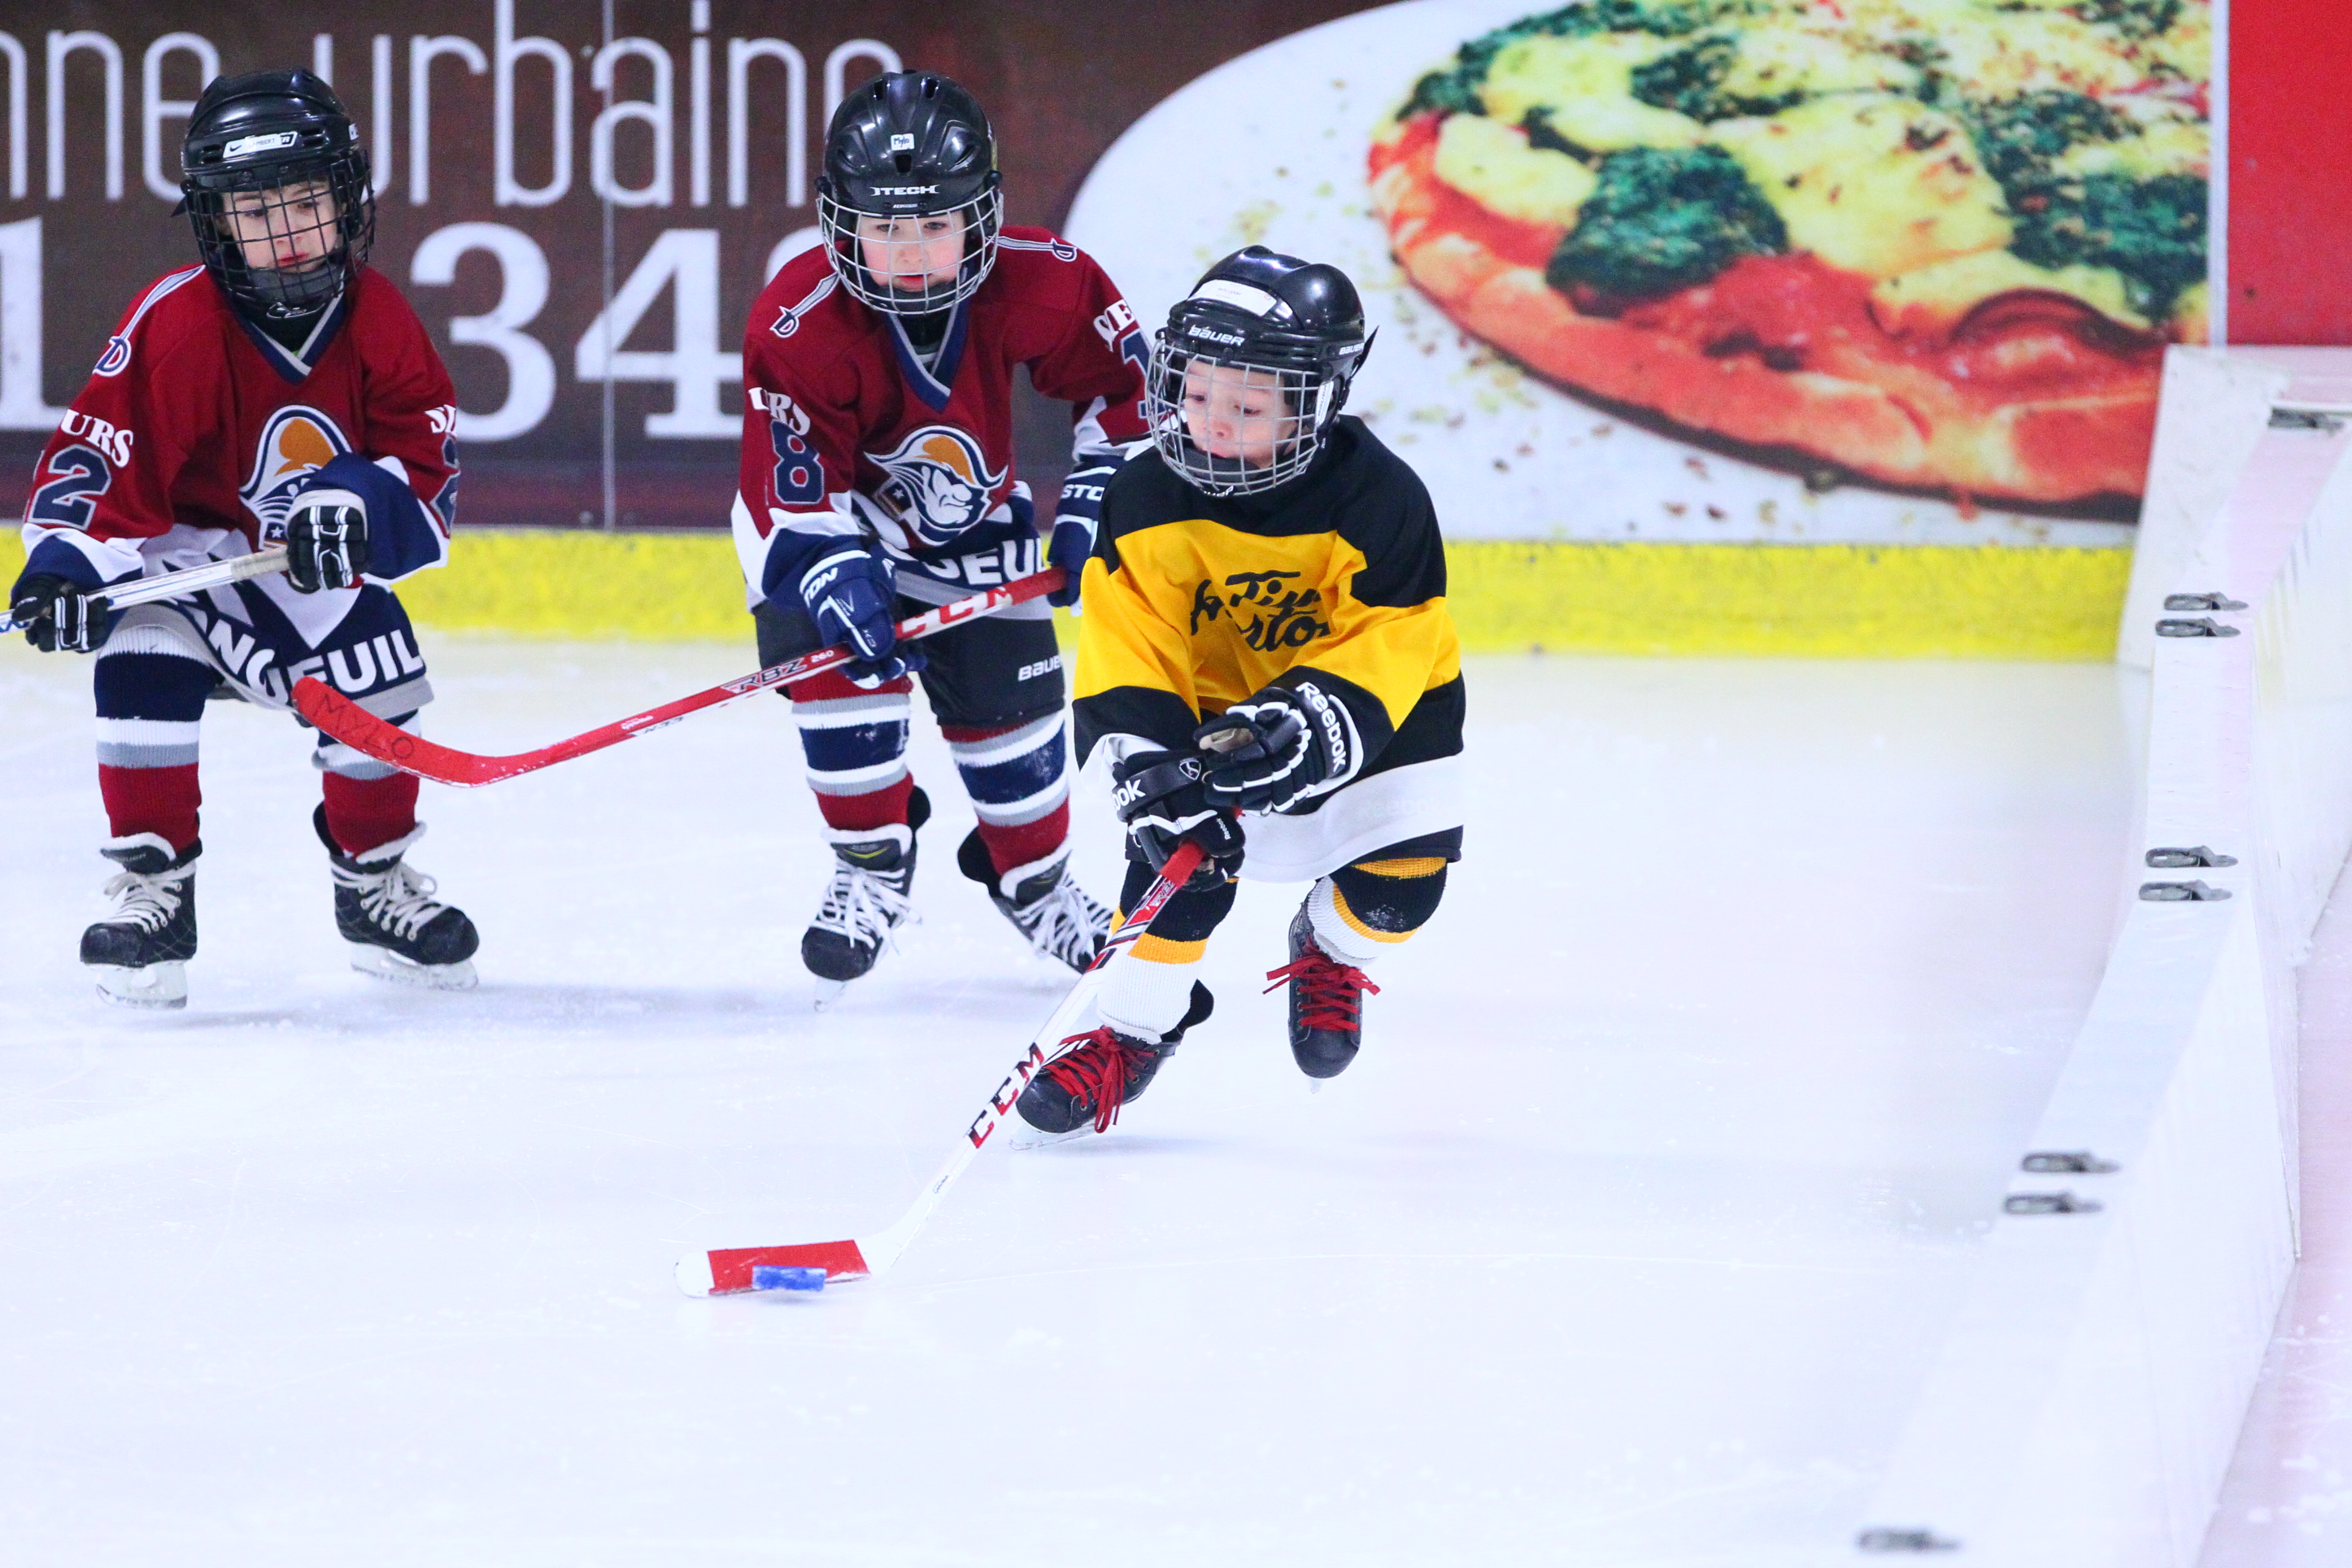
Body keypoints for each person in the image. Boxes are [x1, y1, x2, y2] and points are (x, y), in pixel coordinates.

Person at [7, 68, 476, 1008]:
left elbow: (426, 475)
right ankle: (155, 890)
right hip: (178, 570)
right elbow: (100, 464)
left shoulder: (380, 319)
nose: (287, 232)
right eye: (258, 211)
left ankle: (373, 882)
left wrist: (354, 506)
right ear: (217, 222)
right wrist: (63, 567)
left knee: (379, 667)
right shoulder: (178, 322)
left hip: (300, 575)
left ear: (347, 199)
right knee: (140, 659)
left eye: (306, 202)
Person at [1013, 246, 1466, 1137]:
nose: (1213, 423)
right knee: (1175, 872)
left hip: (1374, 714)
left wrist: (1309, 724)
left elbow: (1395, 634)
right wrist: (1148, 762)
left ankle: (1330, 948)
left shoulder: (1382, 497)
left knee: (1399, 893)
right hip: (1213, 719)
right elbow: (1130, 640)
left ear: (1317, 403)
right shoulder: (1143, 495)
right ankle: (1134, 1031)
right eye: (1195, 393)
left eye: (1249, 407)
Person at [733, 69, 1150, 1000]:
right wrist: (835, 575)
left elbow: (1128, 397)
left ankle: (1035, 884)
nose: (912, 253)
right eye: (884, 228)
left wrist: (1098, 496)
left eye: (934, 224)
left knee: (1019, 756)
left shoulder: (1047, 280)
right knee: (845, 702)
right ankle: (872, 865)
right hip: (838, 537)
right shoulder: (798, 323)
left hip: (977, 538)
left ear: (982, 215)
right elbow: (789, 492)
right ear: (841, 222)